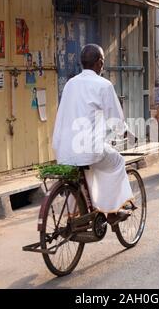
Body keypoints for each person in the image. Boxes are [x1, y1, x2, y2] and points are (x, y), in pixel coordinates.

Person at [52, 44, 133, 225]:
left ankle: (78, 214)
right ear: (100, 63)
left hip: (62, 148)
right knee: (116, 162)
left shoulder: (70, 84)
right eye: (102, 62)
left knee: (85, 168)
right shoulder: (104, 85)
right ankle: (112, 212)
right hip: (88, 149)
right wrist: (124, 131)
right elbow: (116, 119)